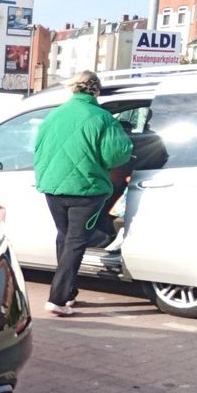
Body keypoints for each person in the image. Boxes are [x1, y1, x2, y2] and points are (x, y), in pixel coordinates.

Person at [33, 70, 133, 316]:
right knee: (76, 242)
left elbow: (38, 149)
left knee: (64, 237)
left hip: (53, 187)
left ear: (73, 88)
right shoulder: (102, 118)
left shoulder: (53, 115)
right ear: (96, 90)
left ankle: (68, 293)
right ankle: (57, 298)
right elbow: (117, 155)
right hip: (86, 190)